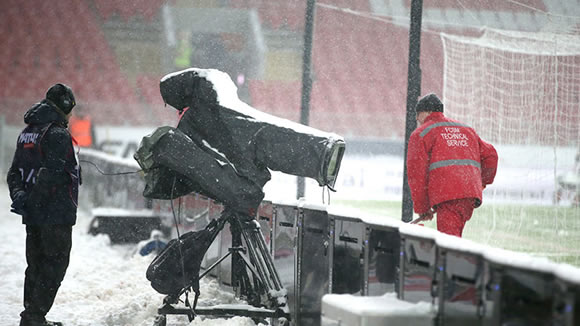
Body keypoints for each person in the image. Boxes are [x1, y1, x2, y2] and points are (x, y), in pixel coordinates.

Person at [6, 83, 81, 326]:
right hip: (54, 214)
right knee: (55, 265)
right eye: (71, 109)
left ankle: (31, 316)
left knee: (35, 265)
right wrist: (33, 201)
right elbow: (51, 175)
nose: (72, 115)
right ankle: (34, 316)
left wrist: (20, 197)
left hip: (33, 214)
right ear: (65, 106)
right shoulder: (57, 134)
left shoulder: (28, 131)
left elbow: (13, 173)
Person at [406, 93, 498, 237]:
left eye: (418, 114)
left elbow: (416, 174)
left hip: (447, 197)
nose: (417, 119)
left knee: (449, 244)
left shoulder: (421, 134)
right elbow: (491, 156)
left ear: (428, 112)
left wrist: (423, 208)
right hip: (468, 196)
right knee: (455, 238)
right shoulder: (467, 130)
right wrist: (482, 182)